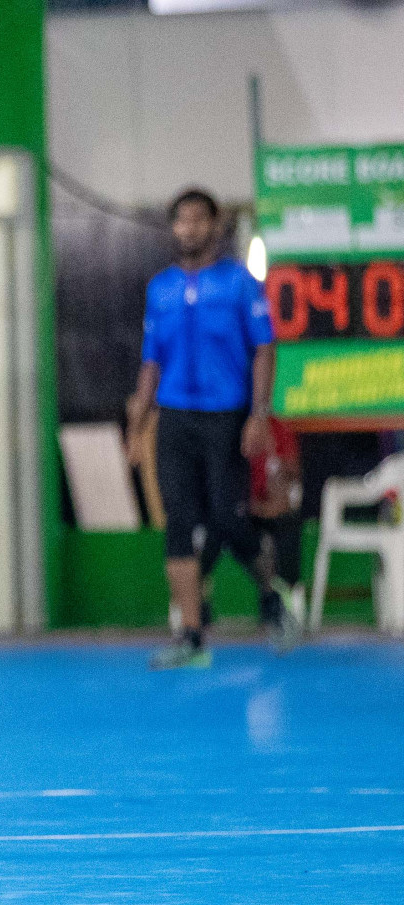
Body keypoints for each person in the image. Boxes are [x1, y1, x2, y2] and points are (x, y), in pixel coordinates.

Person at [126, 187, 300, 669]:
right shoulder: (159, 288)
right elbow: (150, 360)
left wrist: (259, 414)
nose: (190, 228)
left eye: (199, 219)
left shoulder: (241, 284)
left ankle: (271, 596)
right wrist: (137, 419)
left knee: (229, 520)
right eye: (181, 220)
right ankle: (191, 635)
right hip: (175, 418)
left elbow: (264, 348)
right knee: (179, 524)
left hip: (228, 418)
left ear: (216, 225)